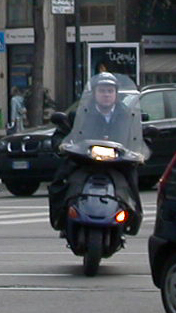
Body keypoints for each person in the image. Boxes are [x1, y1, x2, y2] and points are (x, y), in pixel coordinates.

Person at [47, 72, 141, 233]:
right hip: (84, 160)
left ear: (116, 94)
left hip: (117, 162)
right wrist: (61, 145)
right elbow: (61, 133)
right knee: (59, 182)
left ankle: (133, 220)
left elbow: (137, 136)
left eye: (110, 91)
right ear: (94, 93)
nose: (106, 95)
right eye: (102, 91)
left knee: (132, 184)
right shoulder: (80, 114)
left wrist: (139, 151)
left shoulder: (126, 114)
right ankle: (60, 219)